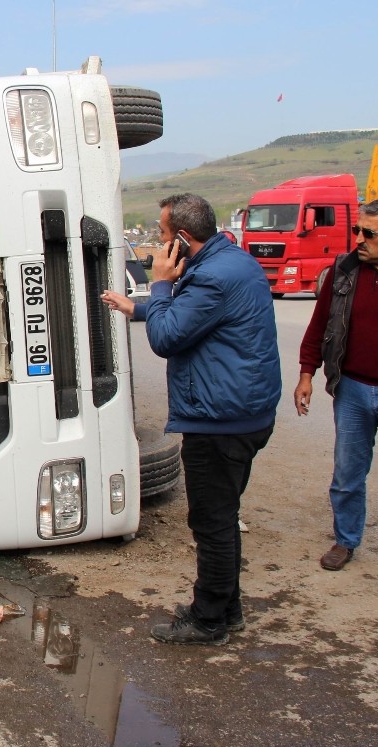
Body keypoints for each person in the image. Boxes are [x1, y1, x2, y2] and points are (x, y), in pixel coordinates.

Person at [102, 193, 281, 645]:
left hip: (219, 420)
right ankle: (227, 607)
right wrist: (137, 307)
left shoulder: (211, 278)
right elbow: (200, 319)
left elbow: (168, 337)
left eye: (162, 237)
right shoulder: (231, 264)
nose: (159, 246)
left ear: (182, 238)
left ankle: (209, 621)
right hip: (245, 413)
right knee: (223, 515)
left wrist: (159, 285)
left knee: (212, 523)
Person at [295, 199, 378, 606]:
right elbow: (320, 323)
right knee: (347, 474)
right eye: (358, 232)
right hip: (352, 391)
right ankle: (346, 540)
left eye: (369, 234)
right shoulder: (344, 270)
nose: (359, 241)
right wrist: (307, 373)